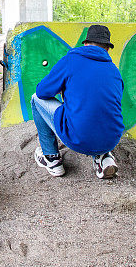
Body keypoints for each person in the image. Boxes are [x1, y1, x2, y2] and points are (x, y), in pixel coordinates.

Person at [30, 24, 124, 179]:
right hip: (112, 139)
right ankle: (103, 157)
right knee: (98, 111)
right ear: (107, 48)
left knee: (35, 99)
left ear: (86, 44)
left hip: (78, 138)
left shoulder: (71, 60)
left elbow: (42, 92)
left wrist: (63, 88)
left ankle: (51, 158)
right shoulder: (114, 70)